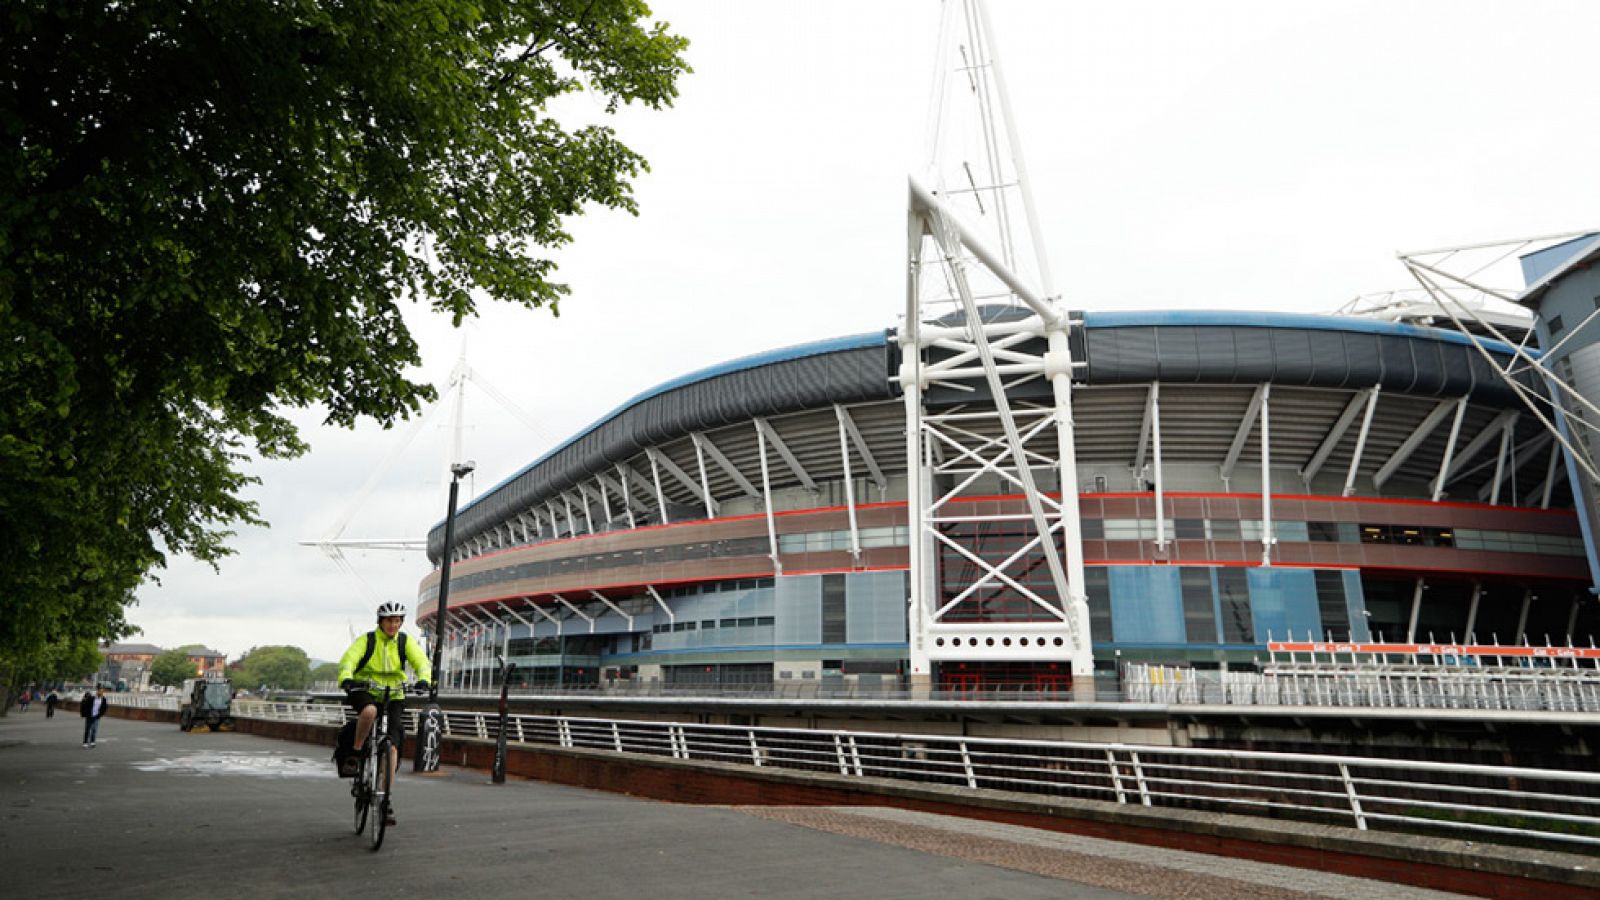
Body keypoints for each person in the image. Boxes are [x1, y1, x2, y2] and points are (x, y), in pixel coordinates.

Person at [337, 601, 432, 827]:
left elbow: (421, 662)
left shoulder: (404, 641)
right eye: (389, 620)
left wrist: (423, 680)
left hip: (394, 695)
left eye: (397, 621)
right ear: (381, 621)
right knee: (369, 712)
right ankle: (356, 753)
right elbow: (349, 660)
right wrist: (347, 678)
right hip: (365, 690)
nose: (393, 625)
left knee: (391, 747)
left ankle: (385, 798)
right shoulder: (367, 640)